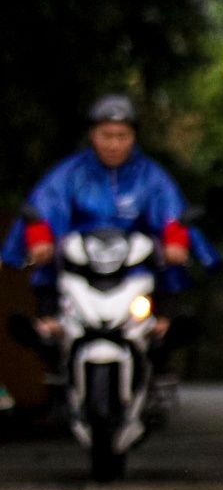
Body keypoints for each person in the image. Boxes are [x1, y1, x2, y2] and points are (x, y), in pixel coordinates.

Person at [2, 94, 204, 364]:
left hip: (135, 268)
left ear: (134, 137)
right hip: (80, 265)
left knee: (168, 266)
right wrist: (40, 237)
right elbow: (45, 206)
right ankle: (49, 325)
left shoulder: (151, 176)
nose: (114, 144)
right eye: (106, 135)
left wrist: (175, 241)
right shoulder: (70, 173)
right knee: (49, 265)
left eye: (122, 136)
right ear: (92, 135)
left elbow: (170, 212)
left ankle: (162, 326)